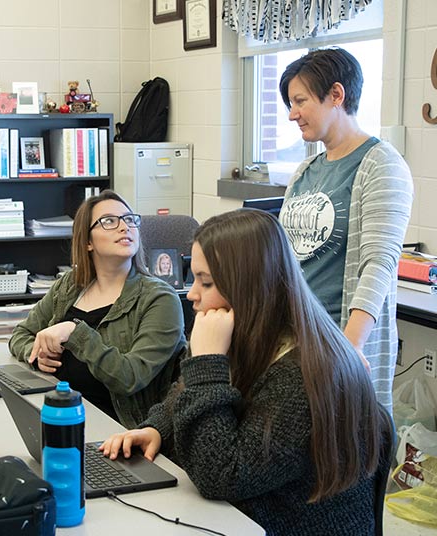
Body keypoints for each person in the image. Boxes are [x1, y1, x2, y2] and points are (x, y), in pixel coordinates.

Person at [101, 209, 391, 535]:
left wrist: (207, 362)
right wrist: (157, 428)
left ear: (249, 287)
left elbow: (222, 475)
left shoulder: (301, 376)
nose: (192, 293)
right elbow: (181, 395)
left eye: (205, 282)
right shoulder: (254, 337)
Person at [278, 47, 413, 412]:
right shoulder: (305, 171)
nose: (292, 114)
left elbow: (379, 263)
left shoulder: (381, 164)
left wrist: (349, 348)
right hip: (294, 339)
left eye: (300, 101)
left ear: (336, 95)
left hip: (338, 343)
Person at [9, 190, 186, 429]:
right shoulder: (70, 285)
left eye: (130, 219)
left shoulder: (159, 298)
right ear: (88, 241)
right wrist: (37, 354)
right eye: (109, 221)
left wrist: (75, 332)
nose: (124, 227)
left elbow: (130, 377)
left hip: (120, 431)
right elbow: (20, 335)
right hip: (59, 413)